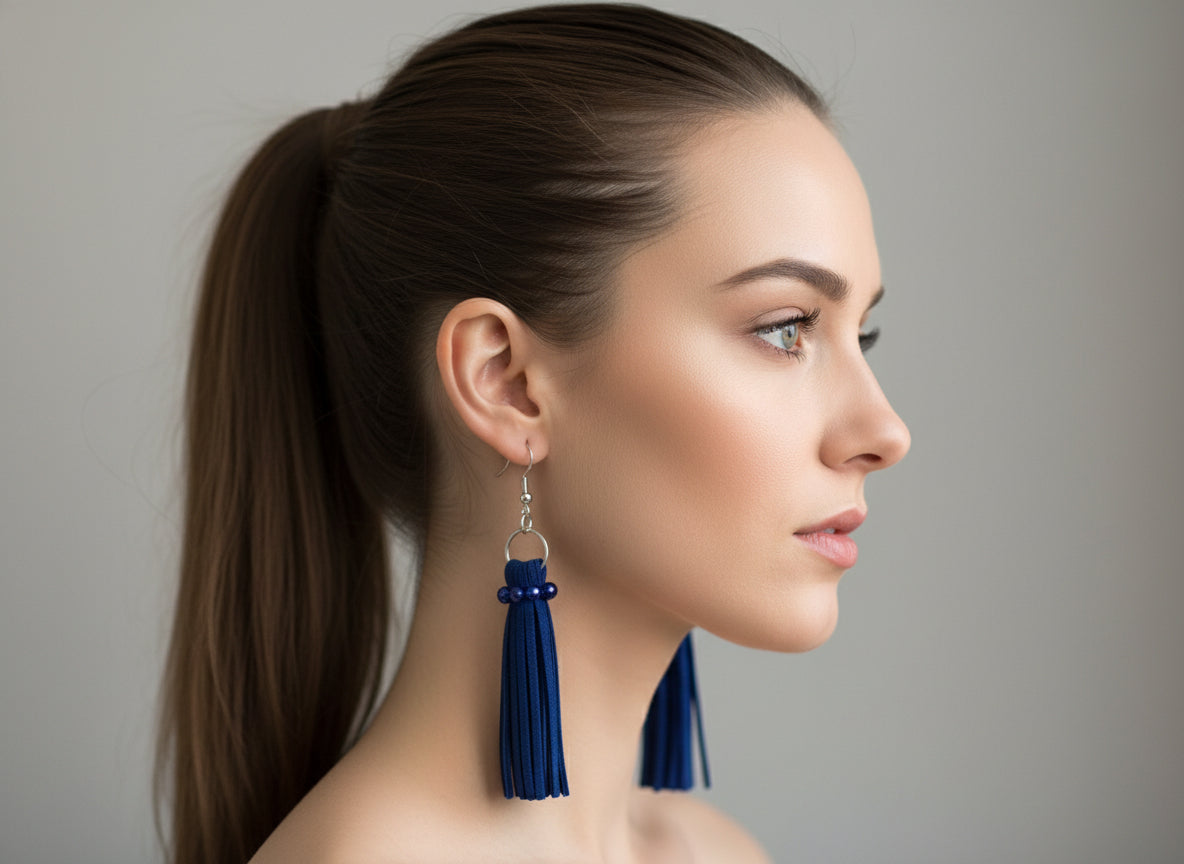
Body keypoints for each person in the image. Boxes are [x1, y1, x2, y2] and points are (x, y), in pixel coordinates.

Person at [155, 3, 911, 862]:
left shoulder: (715, 852)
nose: (884, 431)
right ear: (506, 383)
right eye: (785, 327)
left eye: (864, 334)